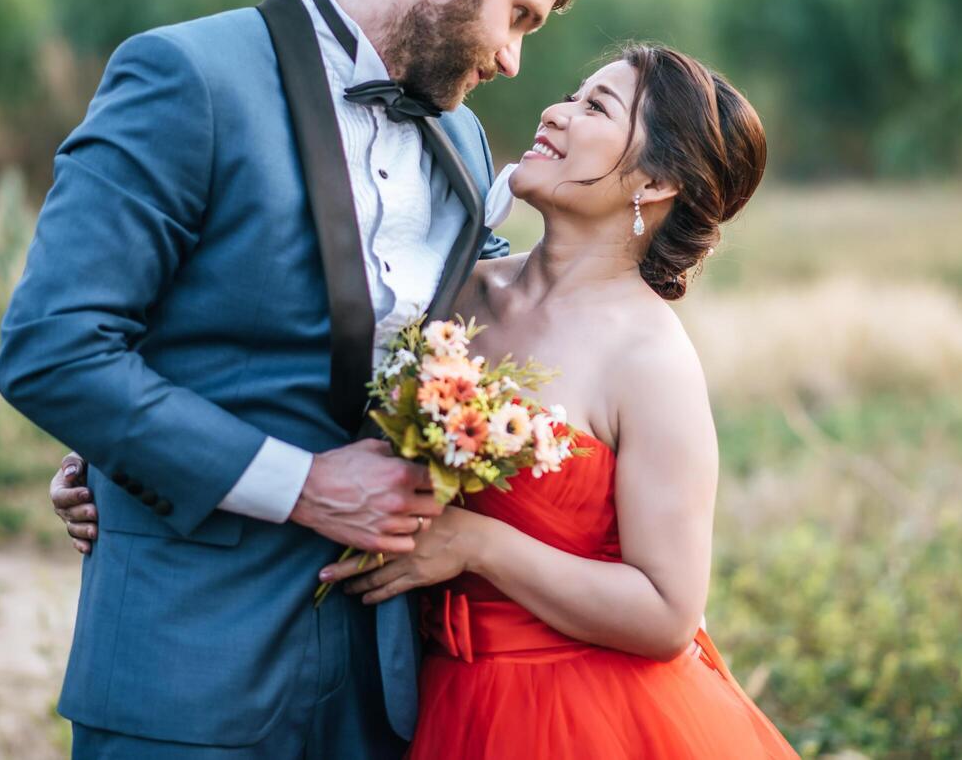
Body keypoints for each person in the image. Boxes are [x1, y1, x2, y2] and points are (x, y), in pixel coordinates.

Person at [0, 0, 597, 759]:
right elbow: (54, 349)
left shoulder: (466, 143)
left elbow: (487, 351)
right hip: (189, 663)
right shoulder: (186, 77)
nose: (514, 59)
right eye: (517, 15)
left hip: (388, 677)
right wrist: (298, 484)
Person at [54, 46, 799, 757]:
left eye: (595, 107)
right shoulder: (456, 289)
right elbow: (276, 371)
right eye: (572, 95)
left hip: (581, 712)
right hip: (433, 696)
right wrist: (121, 457)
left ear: (654, 182)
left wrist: (477, 546)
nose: (554, 112)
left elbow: (667, 613)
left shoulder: (650, 358)